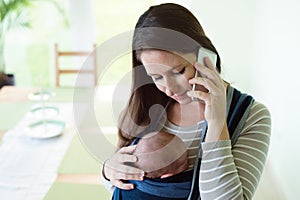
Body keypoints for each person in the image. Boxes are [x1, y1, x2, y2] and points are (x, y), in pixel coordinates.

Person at [101, 3, 271, 200]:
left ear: (206, 55)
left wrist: (216, 123)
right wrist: (107, 170)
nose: (170, 88)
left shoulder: (252, 116)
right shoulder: (147, 102)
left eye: (179, 71)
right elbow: (119, 184)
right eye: (157, 77)